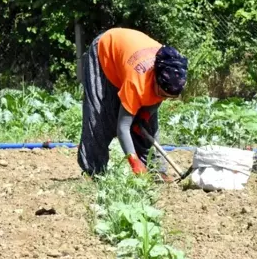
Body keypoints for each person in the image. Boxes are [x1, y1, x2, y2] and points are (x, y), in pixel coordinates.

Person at [77, 27, 188, 180]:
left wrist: (145, 115)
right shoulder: (137, 83)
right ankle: (94, 171)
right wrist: (133, 162)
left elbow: (157, 98)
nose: (164, 99)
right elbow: (123, 128)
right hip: (105, 51)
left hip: (129, 54)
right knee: (100, 115)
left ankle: (154, 171)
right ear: (155, 79)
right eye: (163, 94)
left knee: (147, 124)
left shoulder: (171, 70)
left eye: (170, 97)